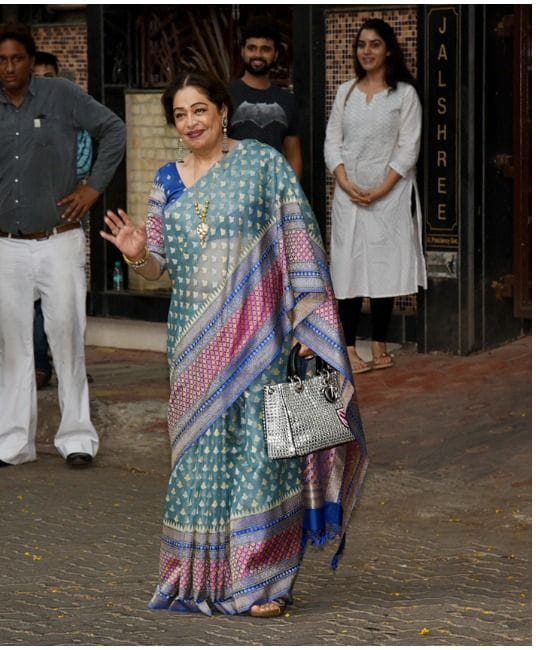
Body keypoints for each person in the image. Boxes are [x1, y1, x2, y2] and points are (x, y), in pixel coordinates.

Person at [100, 71, 367, 617]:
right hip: (194, 346)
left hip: (263, 340)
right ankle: (199, 577)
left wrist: (307, 323)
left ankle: (263, 583)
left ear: (223, 111)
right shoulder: (166, 182)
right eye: (180, 114)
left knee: (261, 457)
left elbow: (300, 237)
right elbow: (157, 269)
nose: (191, 122)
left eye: (200, 110)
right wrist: (134, 253)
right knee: (199, 459)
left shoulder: (262, 165)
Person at [0, 22, 126, 469]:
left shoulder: (61, 95)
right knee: (13, 347)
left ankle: (77, 439)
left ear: (31, 60)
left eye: (17, 58)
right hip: (7, 245)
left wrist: (92, 189)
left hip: (58, 241)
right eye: (0, 60)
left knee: (67, 339)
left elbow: (114, 131)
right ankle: (12, 444)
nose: (9, 67)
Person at [324, 18, 427, 374]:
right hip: (348, 197)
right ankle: (349, 348)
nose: (366, 51)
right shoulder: (346, 92)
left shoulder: (404, 95)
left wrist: (381, 189)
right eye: (362, 44)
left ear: (389, 50)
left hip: (390, 197)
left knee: (384, 266)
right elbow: (331, 142)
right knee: (349, 268)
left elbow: (409, 146)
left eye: (375, 44)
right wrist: (345, 182)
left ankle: (380, 343)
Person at [31, 50, 93, 390]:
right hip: (28, 225)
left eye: (50, 76)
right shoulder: (16, 120)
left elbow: (82, 165)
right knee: (37, 297)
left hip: (68, 218)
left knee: (69, 296)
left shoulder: (77, 119)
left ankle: (72, 368)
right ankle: (41, 366)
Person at [228, 20, 303, 177]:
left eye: (265, 49)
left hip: (274, 187)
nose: (258, 55)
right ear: (242, 52)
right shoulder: (226, 94)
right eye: (251, 48)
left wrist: (292, 192)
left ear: (275, 54)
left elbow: (293, 155)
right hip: (234, 185)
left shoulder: (287, 100)